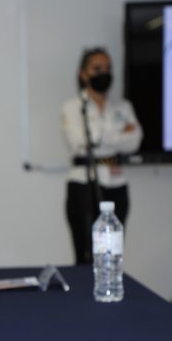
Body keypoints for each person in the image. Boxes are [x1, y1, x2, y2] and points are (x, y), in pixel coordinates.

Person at [61, 47, 142, 264]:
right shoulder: (73, 107)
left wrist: (103, 135)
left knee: (112, 254)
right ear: (83, 74)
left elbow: (134, 141)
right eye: (97, 69)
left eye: (108, 68)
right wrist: (118, 132)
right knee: (85, 254)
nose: (103, 73)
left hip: (117, 183)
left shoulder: (123, 106)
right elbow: (79, 140)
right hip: (82, 184)